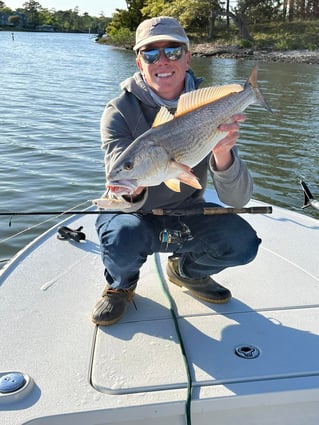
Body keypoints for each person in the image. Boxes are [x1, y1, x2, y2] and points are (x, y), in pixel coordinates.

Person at [92, 16, 261, 326]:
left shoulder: (213, 108)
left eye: (172, 51)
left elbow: (238, 198)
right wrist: (134, 187)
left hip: (188, 211)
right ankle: (122, 285)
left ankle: (186, 272)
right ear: (139, 62)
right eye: (151, 54)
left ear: (188, 57)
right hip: (135, 214)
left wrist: (222, 152)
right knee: (122, 236)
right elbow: (119, 177)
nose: (163, 61)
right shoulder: (118, 112)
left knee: (243, 242)